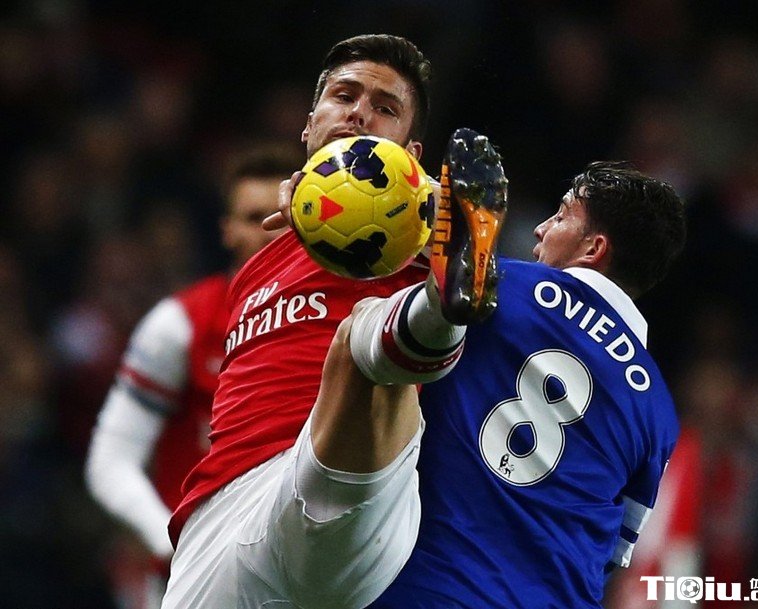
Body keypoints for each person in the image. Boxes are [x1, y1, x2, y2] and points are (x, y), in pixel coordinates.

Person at [161, 35, 510, 609]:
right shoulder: (254, 265)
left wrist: (429, 204)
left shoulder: (414, 230)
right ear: (309, 125)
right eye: (345, 96)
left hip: (345, 482)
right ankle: (437, 313)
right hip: (219, 509)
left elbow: (503, 292)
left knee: (361, 338)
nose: (359, 113)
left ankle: (441, 309)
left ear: (411, 153)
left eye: (385, 107)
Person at [329, 159, 687, 608]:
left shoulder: (491, 286)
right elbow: (615, 553)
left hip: (432, 587)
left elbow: (386, 328)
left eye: (561, 216)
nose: (540, 228)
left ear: (593, 249)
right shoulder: (658, 409)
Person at [84, 145, 301, 609]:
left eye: (282, 215)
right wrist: (170, 542)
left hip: (295, 574)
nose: (269, 230)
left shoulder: (336, 320)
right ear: (227, 229)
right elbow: (110, 460)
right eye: (253, 217)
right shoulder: (180, 324)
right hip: (190, 577)